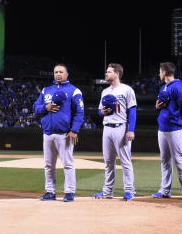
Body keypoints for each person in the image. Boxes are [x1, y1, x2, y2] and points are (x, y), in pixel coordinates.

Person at [33, 63, 84, 202]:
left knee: (67, 164)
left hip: (64, 134)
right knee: (48, 165)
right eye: (56, 72)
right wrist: (46, 107)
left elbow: (79, 112)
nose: (58, 74)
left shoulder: (74, 91)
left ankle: (69, 192)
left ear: (67, 74)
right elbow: (35, 107)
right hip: (47, 133)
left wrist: (74, 130)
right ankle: (50, 192)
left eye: (61, 72)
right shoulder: (46, 90)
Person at [151, 62, 182, 200]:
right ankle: (165, 190)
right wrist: (157, 108)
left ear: (164, 72)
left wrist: (180, 120)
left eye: (160, 71)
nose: (159, 74)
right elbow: (161, 106)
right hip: (163, 127)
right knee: (165, 160)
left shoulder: (177, 87)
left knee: (178, 160)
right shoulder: (165, 87)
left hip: (176, 128)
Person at [93, 63, 137, 200]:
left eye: (109, 72)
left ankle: (129, 191)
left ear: (117, 74)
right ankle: (107, 191)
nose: (106, 74)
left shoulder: (127, 89)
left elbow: (133, 110)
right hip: (107, 127)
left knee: (125, 161)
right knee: (108, 162)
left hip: (121, 127)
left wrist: (131, 130)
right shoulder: (105, 92)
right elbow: (100, 112)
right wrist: (102, 112)